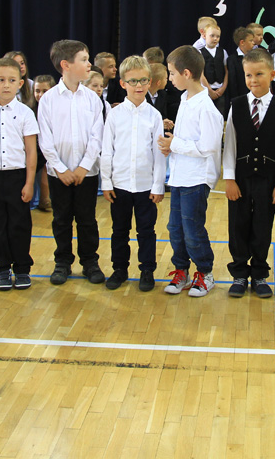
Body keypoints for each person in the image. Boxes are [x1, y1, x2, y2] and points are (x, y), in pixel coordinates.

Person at [223, 49, 275, 298]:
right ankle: (240, 273)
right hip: (240, 177)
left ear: (272, 74)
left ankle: (260, 273)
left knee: (263, 225)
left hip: (268, 178)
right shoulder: (237, 105)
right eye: (248, 75)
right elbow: (230, 144)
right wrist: (229, 178)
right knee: (237, 225)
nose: (253, 80)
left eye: (259, 74)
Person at [38, 39, 106, 285]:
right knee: (61, 219)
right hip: (59, 174)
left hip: (87, 173)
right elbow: (45, 139)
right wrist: (61, 168)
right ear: (66, 65)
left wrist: (84, 166)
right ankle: (62, 262)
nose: (89, 64)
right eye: (84, 60)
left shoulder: (92, 99)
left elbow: (97, 136)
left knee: (87, 220)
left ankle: (90, 262)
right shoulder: (48, 100)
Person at [159, 45, 223, 297]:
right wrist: (172, 146)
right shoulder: (185, 99)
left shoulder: (205, 107)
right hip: (180, 176)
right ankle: (181, 270)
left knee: (192, 229)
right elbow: (188, 139)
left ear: (186, 73)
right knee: (175, 228)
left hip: (196, 179)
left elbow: (207, 146)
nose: (170, 78)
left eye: (172, 73)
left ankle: (205, 273)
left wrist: (174, 144)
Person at [101, 56, 166, 292]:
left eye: (143, 80)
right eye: (133, 81)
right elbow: (107, 150)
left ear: (150, 81)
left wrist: (158, 185)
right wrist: (106, 182)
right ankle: (119, 269)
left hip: (145, 186)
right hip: (120, 185)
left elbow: (159, 154)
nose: (139, 86)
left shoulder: (154, 116)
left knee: (146, 230)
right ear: (123, 84)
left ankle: (147, 270)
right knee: (119, 230)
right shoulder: (115, 115)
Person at [0, 57, 39, 291]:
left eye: (12, 80)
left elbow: (31, 151)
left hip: (17, 176)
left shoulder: (25, 113)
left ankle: (22, 268)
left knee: (20, 224)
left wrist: (29, 183)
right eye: (0, 80)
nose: (6, 85)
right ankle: (2, 268)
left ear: (20, 83)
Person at [31, 74, 57, 213]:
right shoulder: (30, 109)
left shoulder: (57, 110)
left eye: (44, 91)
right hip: (33, 148)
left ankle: (45, 198)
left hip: (49, 147)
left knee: (48, 161)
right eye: (37, 91)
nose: (40, 95)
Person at [198, 23, 229, 115]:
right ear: (204, 36)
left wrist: (223, 88)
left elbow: (226, 71)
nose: (215, 39)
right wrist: (209, 90)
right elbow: (201, 74)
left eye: (218, 36)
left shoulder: (222, 52)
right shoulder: (200, 53)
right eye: (212, 36)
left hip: (220, 90)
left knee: (219, 115)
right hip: (206, 91)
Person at [223, 26, 252, 107]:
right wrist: (236, 101)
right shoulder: (232, 60)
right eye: (250, 40)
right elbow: (233, 83)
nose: (253, 43)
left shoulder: (253, 57)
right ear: (242, 42)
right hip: (240, 98)